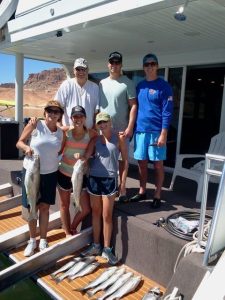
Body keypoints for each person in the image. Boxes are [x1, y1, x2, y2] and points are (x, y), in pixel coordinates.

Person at [16, 100, 65, 256]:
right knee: (32, 207)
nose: (52, 114)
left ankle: (43, 239)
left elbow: (59, 152)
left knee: (44, 208)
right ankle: (32, 240)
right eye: (49, 110)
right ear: (45, 113)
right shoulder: (36, 125)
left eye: (56, 111)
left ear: (60, 115)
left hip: (50, 174)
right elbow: (19, 142)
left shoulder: (60, 133)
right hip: (31, 172)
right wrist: (27, 148)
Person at [80, 112, 128, 265]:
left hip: (110, 180)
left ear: (110, 122)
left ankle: (107, 248)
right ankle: (96, 245)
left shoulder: (119, 138)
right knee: (96, 213)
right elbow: (86, 156)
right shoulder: (95, 139)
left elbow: (125, 162)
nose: (102, 125)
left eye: (104, 122)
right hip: (94, 179)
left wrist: (123, 183)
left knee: (107, 215)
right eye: (99, 123)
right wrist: (79, 158)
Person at [130, 53, 173, 208]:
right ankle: (142, 192)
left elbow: (167, 112)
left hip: (156, 132)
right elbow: (134, 107)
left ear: (157, 66)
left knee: (158, 165)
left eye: (152, 64)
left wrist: (163, 133)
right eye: (147, 64)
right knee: (141, 163)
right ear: (143, 68)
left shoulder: (164, 86)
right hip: (141, 131)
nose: (150, 67)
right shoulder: (139, 86)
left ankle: (157, 194)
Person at [99, 51, 137, 202]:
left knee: (123, 160)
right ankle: (110, 185)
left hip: (121, 130)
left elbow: (133, 106)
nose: (114, 65)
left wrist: (130, 127)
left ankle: (122, 188)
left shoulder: (128, 82)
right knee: (106, 159)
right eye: (112, 62)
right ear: (108, 64)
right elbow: (98, 108)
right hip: (104, 130)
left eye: (117, 62)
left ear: (121, 64)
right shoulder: (101, 83)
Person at [57, 105, 97, 236]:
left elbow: (98, 141)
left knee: (85, 208)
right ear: (71, 118)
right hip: (63, 173)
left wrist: (85, 157)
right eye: (75, 116)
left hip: (80, 175)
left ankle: (73, 226)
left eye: (81, 116)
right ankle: (67, 232)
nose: (78, 119)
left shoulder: (91, 134)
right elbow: (50, 129)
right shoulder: (65, 132)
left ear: (85, 118)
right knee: (64, 205)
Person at [54, 57, 99, 130]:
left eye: (83, 69)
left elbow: (96, 112)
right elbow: (57, 106)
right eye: (78, 69)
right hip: (68, 132)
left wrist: (94, 129)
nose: (81, 72)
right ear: (74, 70)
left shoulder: (95, 87)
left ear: (87, 70)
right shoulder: (66, 85)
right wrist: (60, 126)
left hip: (88, 133)